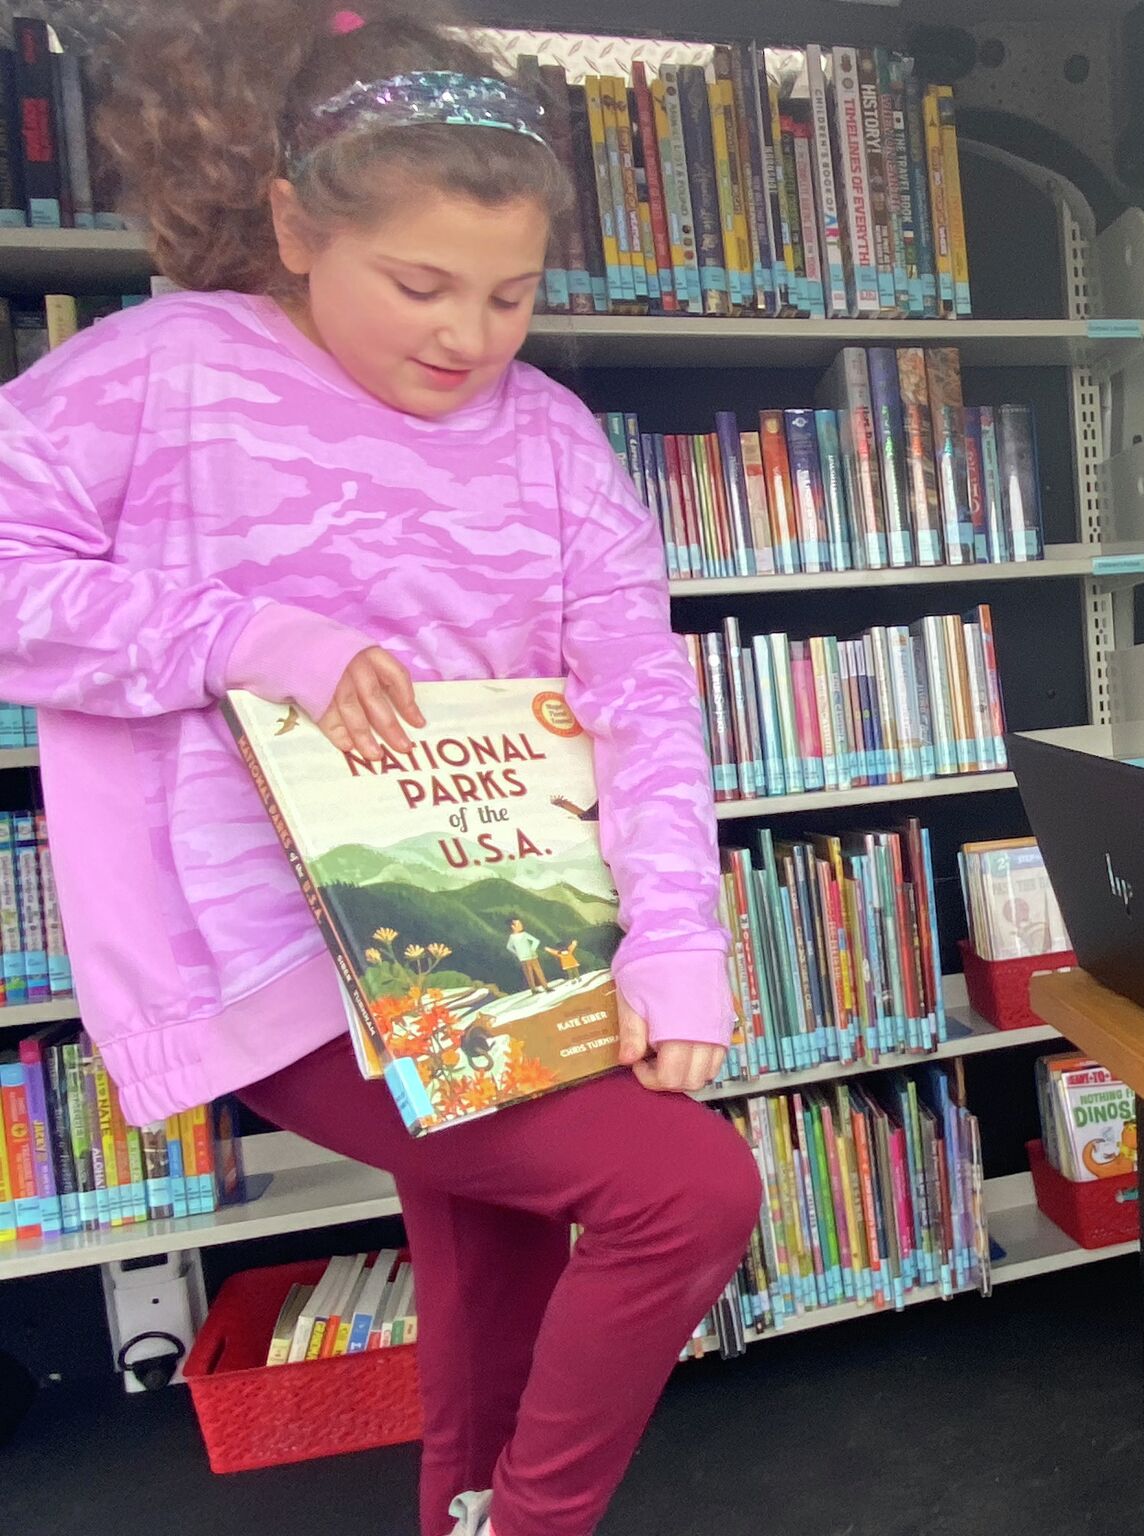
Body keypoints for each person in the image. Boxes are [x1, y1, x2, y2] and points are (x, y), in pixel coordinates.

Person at [0, 6, 762, 1535]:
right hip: (272, 953)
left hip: (506, 941)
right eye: (419, 284)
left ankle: (473, 1510)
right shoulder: (165, 373)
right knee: (687, 1192)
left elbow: (642, 701)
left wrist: (677, 940)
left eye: (512, 294)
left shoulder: (552, 442)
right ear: (293, 225)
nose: (466, 336)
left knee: (490, 1260)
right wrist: (236, 632)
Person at [506, 918, 550, 993]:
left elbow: (536, 941)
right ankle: (538, 988)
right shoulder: (514, 937)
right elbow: (509, 947)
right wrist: (529, 950)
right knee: (531, 972)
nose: (521, 925)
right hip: (527, 956)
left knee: (534, 971)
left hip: (528, 956)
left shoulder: (522, 935)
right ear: (513, 927)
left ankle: (543, 986)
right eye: (519, 924)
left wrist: (519, 953)